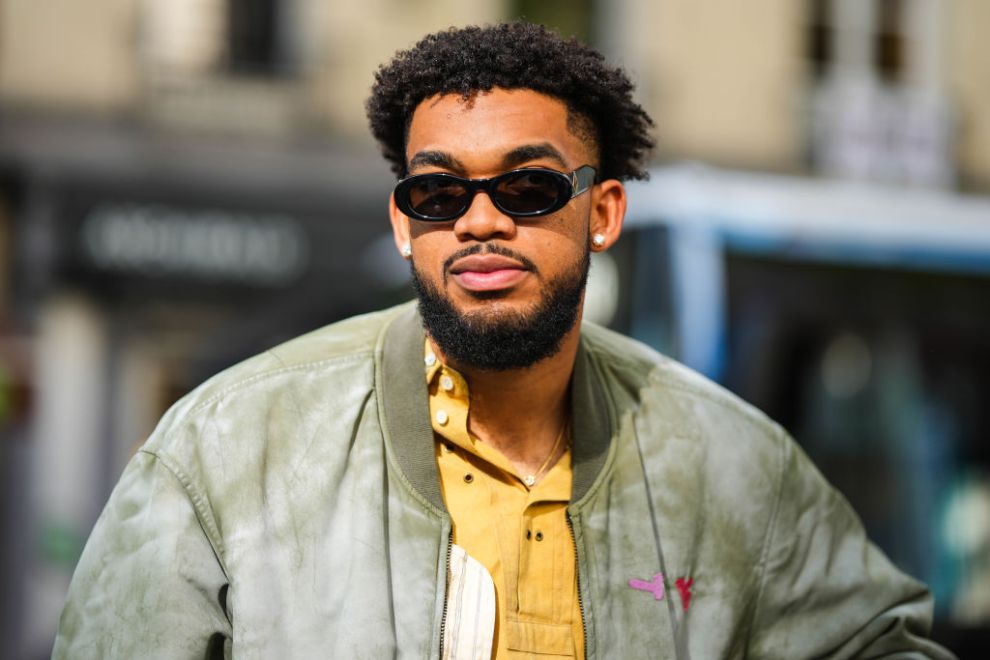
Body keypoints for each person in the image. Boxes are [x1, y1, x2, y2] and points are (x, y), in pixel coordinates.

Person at [54, 23, 953, 659]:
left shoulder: (732, 462)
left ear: (602, 212)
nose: (480, 222)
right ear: (405, 225)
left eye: (527, 189)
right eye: (438, 194)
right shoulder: (225, 447)